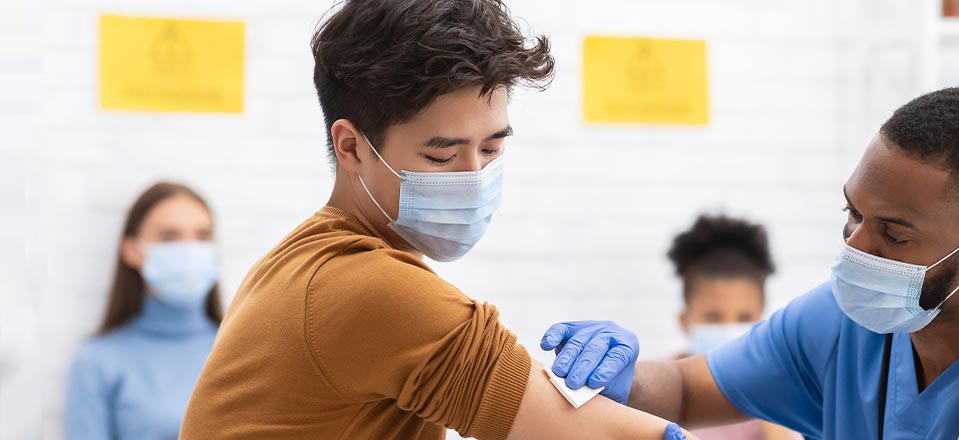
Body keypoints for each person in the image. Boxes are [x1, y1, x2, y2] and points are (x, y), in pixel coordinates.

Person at [179, 1, 687, 439]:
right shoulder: (367, 289)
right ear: (352, 147)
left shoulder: (300, 263)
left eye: (491, 148)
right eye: (442, 158)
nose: (474, 177)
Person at [544, 87, 959, 439]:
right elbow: (683, 391)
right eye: (852, 213)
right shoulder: (840, 324)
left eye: (893, 233)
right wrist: (624, 375)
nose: (855, 246)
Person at [65, 182, 225, 440]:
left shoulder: (241, 349)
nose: (189, 251)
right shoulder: (98, 360)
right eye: (169, 236)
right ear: (132, 250)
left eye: (203, 236)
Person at [666, 214, 797, 440]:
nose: (729, 328)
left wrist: (767, 397)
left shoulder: (772, 392)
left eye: (744, 317)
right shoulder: (659, 385)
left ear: (760, 321)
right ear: (684, 320)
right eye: (714, 318)